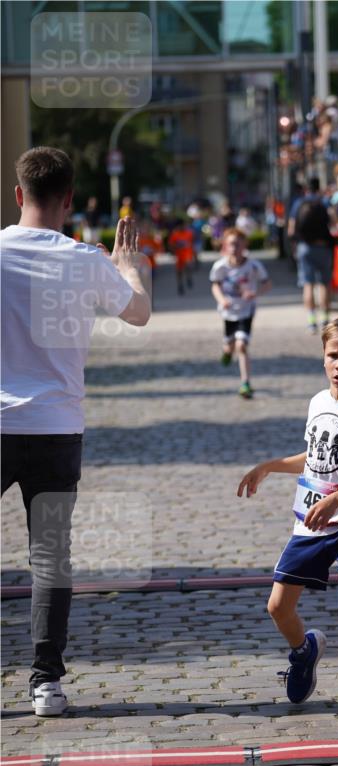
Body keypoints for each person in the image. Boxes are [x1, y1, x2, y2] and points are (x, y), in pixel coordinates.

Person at [0, 146, 151, 717]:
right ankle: (46, 683)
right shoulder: (86, 260)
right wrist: (126, 264)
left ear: (19, 195)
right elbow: (136, 314)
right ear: (68, 199)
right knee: (50, 558)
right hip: (57, 429)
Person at [237, 315, 338, 734]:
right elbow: (316, 458)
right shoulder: (317, 403)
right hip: (312, 519)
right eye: (332, 356)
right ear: (323, 358)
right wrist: (270, 466)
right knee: (277, 607)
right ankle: (304, 650)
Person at [209, 227, 271, 399]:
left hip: (246, 310)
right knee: (229, 346)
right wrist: (221, 299)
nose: (234, 247)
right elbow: (215, 285)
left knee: (241, 345)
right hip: (228, 312)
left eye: (238, 243)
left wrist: (255, 293)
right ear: (225, 246)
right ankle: (227, 352)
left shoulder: (254, 266)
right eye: (231, 244)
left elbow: (267, 284)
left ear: (245, 245)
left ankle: (245, 383)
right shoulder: (220, 266)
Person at [288, 176, 336, 335]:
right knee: (324, 284)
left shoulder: (299, 203)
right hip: (323, 247)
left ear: (305, 188)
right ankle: (325, 319)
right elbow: (334, 224)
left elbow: (291, 229)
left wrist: (294, 246)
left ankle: (311, 321)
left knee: (308, 284)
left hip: (305, 247)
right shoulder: (324, 202)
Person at [168, 219, 195, 295]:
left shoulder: (189, 233)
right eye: (179, 226)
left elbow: (192, 241)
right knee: (179, 271)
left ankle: (188, 278)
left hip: (187, 254)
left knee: (188, 266)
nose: (181, 227)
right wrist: (176, 247)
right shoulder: (175, 234)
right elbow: (171, 245)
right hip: (179, 255)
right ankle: (180, 285)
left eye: (182, 226)